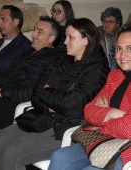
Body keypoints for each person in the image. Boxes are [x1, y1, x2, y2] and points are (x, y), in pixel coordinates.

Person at [0, 18, 110, 170]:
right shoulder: (63, 61)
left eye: (70, 37)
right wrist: (50, 105)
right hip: (42, 118)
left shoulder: (97, 69)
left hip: (66, 129)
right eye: (65, 36)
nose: (65, 42)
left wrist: (48, 93)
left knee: (11, 152)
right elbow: (35, 93)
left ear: (86, 40)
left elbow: (72, 104)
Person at [0, 15, 61, 170]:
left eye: (39, 32)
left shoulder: (54, 59)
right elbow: (7, 78)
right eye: (34, 30)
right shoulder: (27, 53)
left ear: (51, 38)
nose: (33, 34)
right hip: (4, 103)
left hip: (19, 108)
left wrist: (5, 92)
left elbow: (37, 91)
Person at [48, 27, 131, 170]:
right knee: (59, 157)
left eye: (129, 48)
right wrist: (111, 113)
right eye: (118, 48)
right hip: (101, 142)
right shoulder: (115, 76)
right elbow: (88, 110)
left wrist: (103, 121)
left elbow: (129, 127)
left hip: (125, 152)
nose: (122, 54)